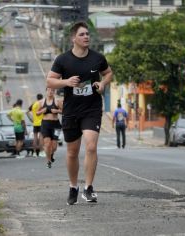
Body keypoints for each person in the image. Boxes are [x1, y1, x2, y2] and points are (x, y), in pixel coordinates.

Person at [46, 21, 113, 205]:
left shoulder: (97, 58)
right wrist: (66, 82)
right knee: (72, 152)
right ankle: (73, 186)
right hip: (71, 110)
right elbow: (50, 81)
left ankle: (88, 188)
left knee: (91, 146)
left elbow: (108, 73)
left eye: (87, 34)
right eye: (82, 34)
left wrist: (103, 84)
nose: (86, 37)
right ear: (73, 38)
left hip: (91, 108)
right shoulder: (62, 60)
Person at [39, 88, 62, 168]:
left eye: (52, 90)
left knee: (54, 146)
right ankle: (48, 161)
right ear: (46, 91)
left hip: (56, 125)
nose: (50, 92)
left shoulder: (57, 101)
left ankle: (51, 154)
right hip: (45, 124)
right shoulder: (41, 102)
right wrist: (42, 111)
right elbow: (37, 113)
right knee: (47, 144)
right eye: (49, 90)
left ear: (54, 91)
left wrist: (57, 111)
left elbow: (64, 111)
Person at [28, 94, 46, 158]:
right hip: (41, 123)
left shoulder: (34, 104)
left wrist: (31, 119)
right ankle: (41, 151)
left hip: (35, 123)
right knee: (41, 137)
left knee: (35, 138)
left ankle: (34, 153)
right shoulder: (42, 104)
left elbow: (27, 111)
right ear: (42, 98)